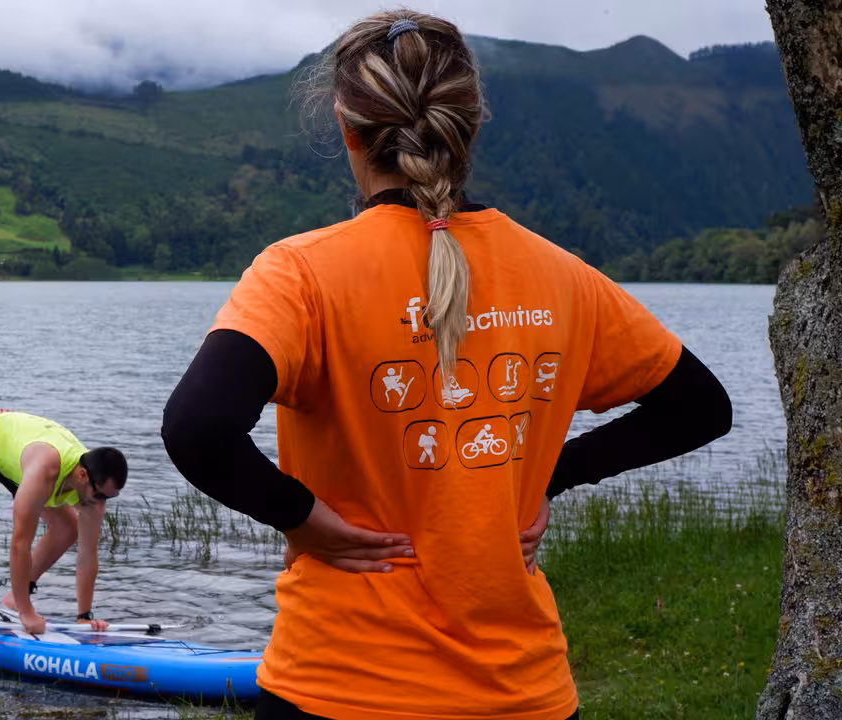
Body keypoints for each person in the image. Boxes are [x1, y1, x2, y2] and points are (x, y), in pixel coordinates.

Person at [161, 9, 731, 720]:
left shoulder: (301, 275)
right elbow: (702, 408)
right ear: (470, 123)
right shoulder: (561, 277)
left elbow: (196, 427)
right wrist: (552, 472)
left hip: (340, 687)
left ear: (346, 126)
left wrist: (301, 517)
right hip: (523, 695)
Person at [0, 409, 128, 635]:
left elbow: (88, 555)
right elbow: (20, 544)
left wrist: (84, 616)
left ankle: (17, 597)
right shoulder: (45, 470)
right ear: (82, 476)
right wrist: (27, 614)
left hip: (20, 452)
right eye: (100, 495)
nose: (102, 503)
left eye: (110, 497)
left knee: (67, 529)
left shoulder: (94, 491)